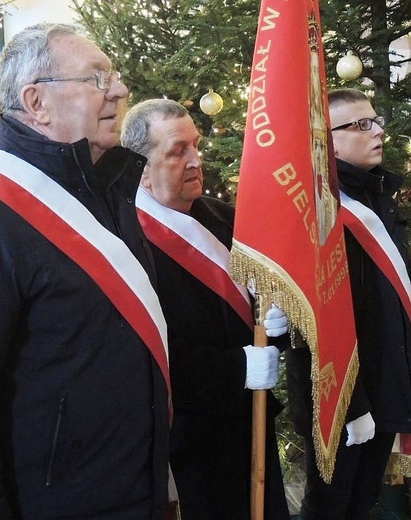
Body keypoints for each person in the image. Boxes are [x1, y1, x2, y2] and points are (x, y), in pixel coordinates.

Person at [0, 23, 172, 519]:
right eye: (95, 78)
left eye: (112, 75)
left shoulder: (105, 192)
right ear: (36, 102)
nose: (119, 90)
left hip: (129, 491)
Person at [121, 98, 291, 520]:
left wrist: (281, 319)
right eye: (178, 151)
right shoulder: (123, 242)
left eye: (196, 146)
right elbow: (140, 353)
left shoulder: (227, 217)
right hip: (186, 437)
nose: (196, 160)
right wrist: (236, 369)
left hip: (251, 417)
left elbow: (263, 299)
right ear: (141, 168)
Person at [286, 88, 411, 519]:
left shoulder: (380, 200)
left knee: (362, 503)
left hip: (388, 383)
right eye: (360, 125)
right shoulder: (316, 211)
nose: (376, 133)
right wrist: (351, 406)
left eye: (376, 122)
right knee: (329, 508)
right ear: (328, 141)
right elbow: (311, 327)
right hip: (341, 398)